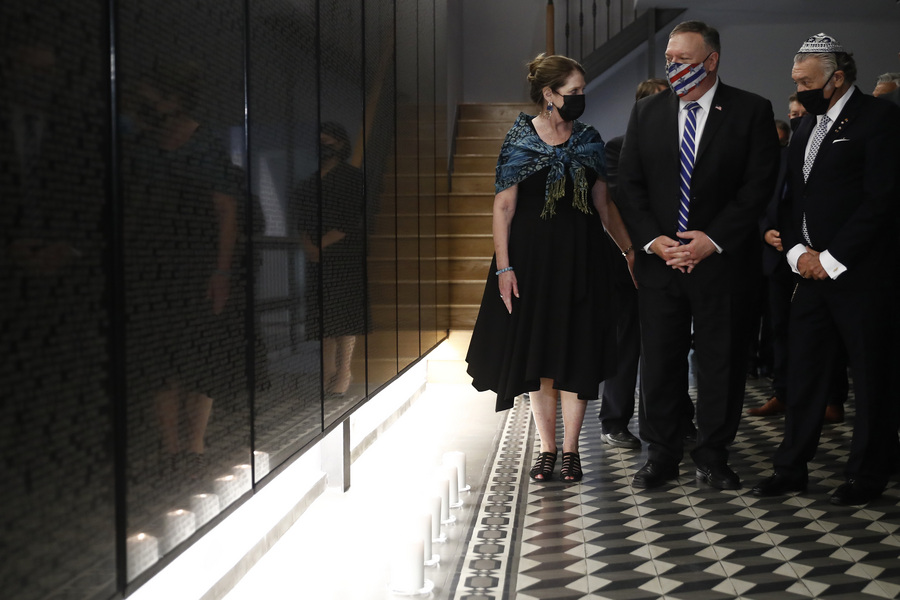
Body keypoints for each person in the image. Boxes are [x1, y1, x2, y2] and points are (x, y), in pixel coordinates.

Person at [616, 20, 779, 490]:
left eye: (683, 59)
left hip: (722, 264)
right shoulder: (646, 112)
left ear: (711, 60)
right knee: (660, 364)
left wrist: (712, 240)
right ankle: (660, 455)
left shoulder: (751, 110)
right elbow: (630, 185)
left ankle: (713, 455)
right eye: (669, 59)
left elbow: (758, 186)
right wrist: (654, 241)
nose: (673, 67)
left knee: (720, 364)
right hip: (661, 263)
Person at [466, 53, 634, 483]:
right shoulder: (520, 139)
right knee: (541, 355)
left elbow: (604, 205)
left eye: (582, 90)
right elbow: (503, 207)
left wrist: (629, 250)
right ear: (549, 94)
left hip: (582, 259)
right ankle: (547, 448)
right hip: (532, 262)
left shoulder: (590, 139)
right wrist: (504, 269)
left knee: (577, 352)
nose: (581, 97)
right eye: (573, 91)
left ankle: (572, 450)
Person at [751, 33, 900, 506]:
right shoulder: (806, 127)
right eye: (796, 82)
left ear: (836, 78)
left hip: (861, 275)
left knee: (871, 378)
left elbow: (882, 200)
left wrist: (831, 259)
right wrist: (798, 253)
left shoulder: (880, 119)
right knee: (805, 372)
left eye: (807, 82)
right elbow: (793, 197)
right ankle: (790, 468)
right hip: (809, 273)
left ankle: (867, 474)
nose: (799, 91)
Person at [598, 77, 697, 450]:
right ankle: (614, 421)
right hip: (631, 255)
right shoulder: (618, 147)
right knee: (626, 344)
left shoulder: (687, 145)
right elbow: (620, 200)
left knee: (670, 346)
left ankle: (678, 418)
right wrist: (642, 245)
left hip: (674, 257)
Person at [747, 95, 848, 425]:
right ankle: (783, 393)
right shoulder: (779, 157)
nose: (797, 118)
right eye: (792, 113)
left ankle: (832, 399)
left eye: (801, 113)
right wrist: (766, 232)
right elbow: (764, 203)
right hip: (778, 258)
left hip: (819, 258)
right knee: (780, 329)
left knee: (827, 332)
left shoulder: (830, 152)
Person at [293, 122, 367, 399]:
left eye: (329, 141)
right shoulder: (309, 182)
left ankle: (344, 371)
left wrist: (320, 244)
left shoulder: (352, 177)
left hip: (343, 254)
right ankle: (326, 371)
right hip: (317, 256)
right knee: (322, 318)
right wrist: (309, 245)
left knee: (343, 316)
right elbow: (301, 218)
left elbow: (352, 218)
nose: (324, 146)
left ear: (341, 144)